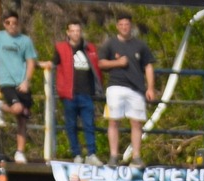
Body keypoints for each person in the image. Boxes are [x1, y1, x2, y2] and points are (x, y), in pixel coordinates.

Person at [98, 17, 154, 165]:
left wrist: (150, 88)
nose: (124, 27)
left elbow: (148, 66)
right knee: (113, 121)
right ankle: (113, 156)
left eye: (127, 24)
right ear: (117, 26)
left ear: (131, 26)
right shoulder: (110, 43)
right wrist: (117, 63)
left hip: (136, 88)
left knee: (136, 122)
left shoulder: (140, 45)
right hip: (115, 86)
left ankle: (136, 156)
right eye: (121, 24)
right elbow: (101, 63)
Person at [0, 11, 36, 162]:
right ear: (4, 24)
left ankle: (20, 152)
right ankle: (1, 106)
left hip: (21, 83)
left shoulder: (25, 40)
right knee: (17, 108)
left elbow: (31, 61)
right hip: (7, 82)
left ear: (18, 24)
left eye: (15, 23)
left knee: (23, 116)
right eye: (8, 23)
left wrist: (26, 81)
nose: (12, 25)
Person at [50, 19, 100, 163]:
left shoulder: (89, 48)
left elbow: (97, 66)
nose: (76, 34)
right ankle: (76, 154)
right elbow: (53, 63)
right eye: (73, 31)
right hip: (69, 93)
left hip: (86, 93)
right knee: (71, 125)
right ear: (68, 32)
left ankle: (91, 154)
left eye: (78, 31)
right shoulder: (61, 48)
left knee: (89, 124)